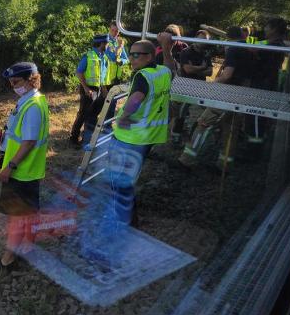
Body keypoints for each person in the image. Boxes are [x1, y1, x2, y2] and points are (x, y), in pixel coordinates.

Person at [78, 32, 175, 259]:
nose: (131, 59)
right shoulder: (162, 72)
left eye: (137, 56)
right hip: (148, 137)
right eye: (130, 55)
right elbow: (172, 68)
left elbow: (136, 97)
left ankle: (120, 232)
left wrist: (123, 117)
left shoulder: (142, 77)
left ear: (150, 56)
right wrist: (167, 48)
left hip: (131, 138)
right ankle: (129, 219)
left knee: (119, 182)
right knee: (126, 180)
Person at [0, 62, 49, 276]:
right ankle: (27, 248)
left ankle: (8, 259)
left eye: (16, 82)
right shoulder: (33, 100)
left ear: (30, 79)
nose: (13, 86)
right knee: (29, 212)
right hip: (29, 169)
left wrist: (10, 166)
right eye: (11, 82)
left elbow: (29, 141)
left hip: (22, 171)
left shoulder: (32, 106)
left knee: (16, 216)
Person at [178, 26, 253, 171]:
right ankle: (224, 164)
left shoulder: (233, 49)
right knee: (230, 129)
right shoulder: (249, 49)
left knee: (203, 123)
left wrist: (213, 85)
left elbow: (227, 75)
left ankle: (187, 160)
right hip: (241, 94)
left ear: (228, 38)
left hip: (227, 94)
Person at [69, 34, 114, 148]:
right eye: (107, 43)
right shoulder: (88, 56)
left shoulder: (104, 57)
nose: (108, 45)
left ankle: (88, 138)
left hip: (99, 89)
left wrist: (104, 90)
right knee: (83, 114)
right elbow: (79, 72)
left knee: (94, 114)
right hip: (89, 89)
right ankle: (74, 138)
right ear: (102, 44)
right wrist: (86, 88)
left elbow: (102, 76)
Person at [170, 30, 214, 143]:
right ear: (195, 38)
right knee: (181, 112)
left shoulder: (206, 53)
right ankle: (176, 136)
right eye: (200, 38)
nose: (202, 42)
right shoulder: (186, 51)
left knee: (201, 113)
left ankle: (190, 134)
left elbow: (210, 72)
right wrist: (202, 67)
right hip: (185, 85)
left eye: (205, 40)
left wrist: (195, 69)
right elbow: (187, 70)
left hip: (200, 87)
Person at [106, 20, 130, 85]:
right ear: (109, 29)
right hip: (105, 77)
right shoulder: (104, 41)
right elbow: (110, 58)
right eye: (112, 30)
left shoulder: (119, 42)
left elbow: (126, 59)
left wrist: (121, 61)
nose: (114, 33)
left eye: (116, 31)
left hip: (116, 78)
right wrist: (119, 48)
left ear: (119, 31)